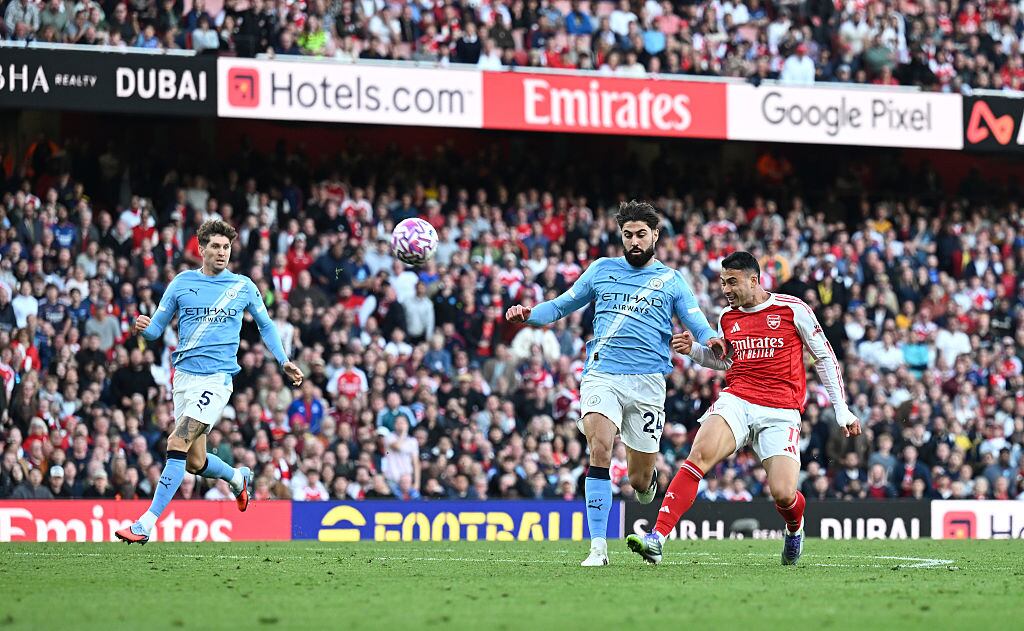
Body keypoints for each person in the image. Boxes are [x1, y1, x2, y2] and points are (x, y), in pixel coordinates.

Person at [505, 200, 724, 566]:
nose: (634, 241)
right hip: (601, 374)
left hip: (648, 383)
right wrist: (529, 315)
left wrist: (711, 339)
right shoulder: (601, 270)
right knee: (600, 448)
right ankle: (598, 548)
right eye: (628, 235)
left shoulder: (671, 280)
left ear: (655, 235)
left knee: (639, 482)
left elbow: (697, 321)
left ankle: (648, 482)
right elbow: (560, 306)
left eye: (641, 235)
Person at [627, 251, 860, 566]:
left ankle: (795, 528)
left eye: (732, 282)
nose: (725, 289)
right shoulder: (727, 317)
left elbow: (825, 357)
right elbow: (726, 361)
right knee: (698, 455)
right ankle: (657, 538)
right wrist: (694, 351)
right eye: (723, 282)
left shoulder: (792, 310)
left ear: (754, 280)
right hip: (738, 398)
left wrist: (841, 409)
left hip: (781, 410)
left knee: (782, 493)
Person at [116, 219, 303, 545]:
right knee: (195, 461)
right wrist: (142, 328)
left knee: (176, 442)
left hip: (216, 380)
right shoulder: (181, 282)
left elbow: (266, 325)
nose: (221, 252)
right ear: (201, 249)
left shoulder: (243, 286)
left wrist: (283, 359)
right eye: (215, 246)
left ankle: (145, 524)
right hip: (184, 379)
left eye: (226, 247)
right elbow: (157, 329)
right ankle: (237, 477)